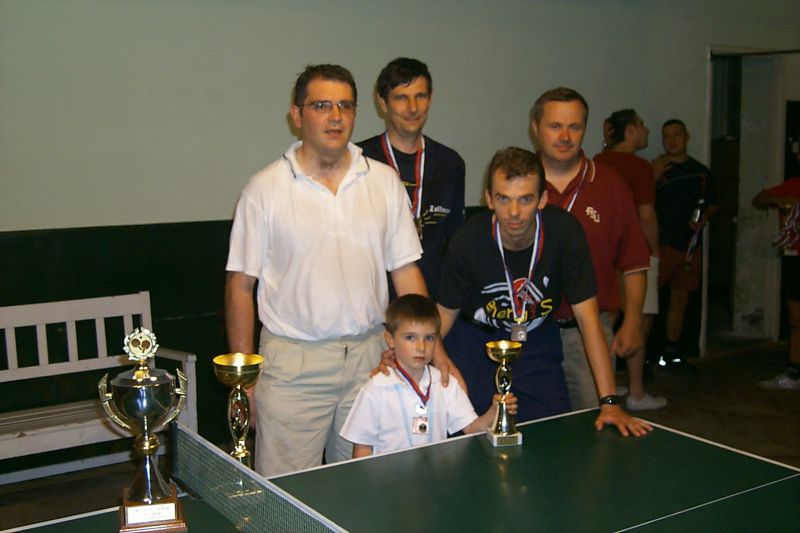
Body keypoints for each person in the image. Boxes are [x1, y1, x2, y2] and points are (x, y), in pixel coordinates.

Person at [224, 64, 442, 477]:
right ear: (297, 115)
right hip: (292, 367)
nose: (336, 117)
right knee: (287, 497)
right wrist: (244, 379)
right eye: (322, 106)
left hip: (372, 361)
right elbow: (240, 286)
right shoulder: (263, 190)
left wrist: (428, 349)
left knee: (366, 489)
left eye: (345, 106)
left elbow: (406, 272)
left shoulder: (383, 182)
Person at [436, 146, 651, 437]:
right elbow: (441, 319)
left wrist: (610, 402)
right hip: (476, 342)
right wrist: (431, 359)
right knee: (474, 435)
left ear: (543, 199)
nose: (514, 212)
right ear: (488, 199)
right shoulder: (466, 241)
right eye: (503, 199)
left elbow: (588, 320)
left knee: (551, 435)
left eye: (525, 199)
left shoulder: (565, 233)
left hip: (535, 338)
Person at [529, 88, 651, 411]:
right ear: (535, 127)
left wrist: (633, 321)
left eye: (575, 127)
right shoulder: (518, 183)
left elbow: (635, 262)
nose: (565, 136)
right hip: (530, 334)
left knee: (594, 421)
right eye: (555, 126)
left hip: (590, 334)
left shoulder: (610, 185)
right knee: (531, 425)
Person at [340, 294, 518, 456]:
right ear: (390, 340)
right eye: (410, 338)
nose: (421, 347)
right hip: (389, 479)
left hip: (435, 476)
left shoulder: (446, 384)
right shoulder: (376, 389)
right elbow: (362, 447)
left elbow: (471, 429)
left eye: (429, 338)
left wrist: (494, 411)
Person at [358, 58, 465, 297]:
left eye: (420, 96)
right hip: (374, 304)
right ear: (383, 103)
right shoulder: (359, 161)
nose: (413, 108)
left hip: (434, 302)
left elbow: (455, 246)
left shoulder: (450, 163)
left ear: (430, 99)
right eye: (401, 98)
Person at [594, 109, 666, 410]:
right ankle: (636, 392)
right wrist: (655, 250)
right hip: (632, 253)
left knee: (606, 318)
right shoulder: (639, 166)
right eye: (642, 124)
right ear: (631, 130)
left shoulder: (597, 162)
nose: (646, 130)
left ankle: (606, 384)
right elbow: (646, 215)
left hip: (602, 252)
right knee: (640, 319)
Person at [652, 119, 718, 372]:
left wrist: (703, 219)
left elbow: (712, 204)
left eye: (676, 134)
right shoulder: (657, 170)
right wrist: (652, 175)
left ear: (686, 136)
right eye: (666, 136)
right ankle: (647, 355)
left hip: (689, 246)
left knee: (680, 299)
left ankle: (672, 353)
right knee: (649, 301)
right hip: (661, 245)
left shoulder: (701, 172)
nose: (671, 141)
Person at [752, 160, 800, 390]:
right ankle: (794, 372)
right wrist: (779, 201)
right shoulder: (794, 184)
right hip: (795, 258)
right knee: (796, 319)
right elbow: (759, 199)